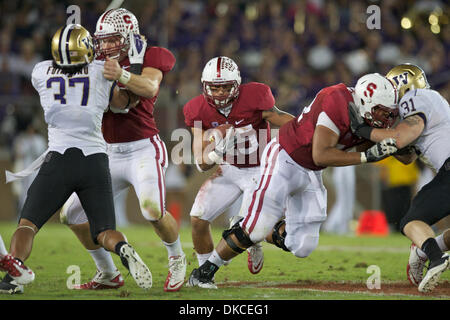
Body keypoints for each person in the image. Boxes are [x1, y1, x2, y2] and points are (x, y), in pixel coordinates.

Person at [187, 73, 400, 289]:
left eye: (389, 113)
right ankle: (204, 272)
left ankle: (248, 226)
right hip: (285, 157)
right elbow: (321, 154)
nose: (385, 118)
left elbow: (368, 144)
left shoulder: (364, 113)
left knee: (301, 246)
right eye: (381, 111)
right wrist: (368, 156)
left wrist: (390, 141)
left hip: (311, 171)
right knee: (257, 227)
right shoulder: (335, 98)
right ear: (365, 102)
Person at [1, 24, 152, 294]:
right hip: (94, 160)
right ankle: (122, 247)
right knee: (104, 231)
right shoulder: (101, 71)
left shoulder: (40, 72)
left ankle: (12, 277)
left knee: (28, 224)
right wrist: (135, 66)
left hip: (58, 159)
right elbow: (125, 103)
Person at [59, 8, 186, 292]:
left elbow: (150, 87)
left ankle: (177, 257)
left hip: (143, 148)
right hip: (105, 151)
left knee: (152, 210)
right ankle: (107, 272)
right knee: (72, 214)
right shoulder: (93, 59)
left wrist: (123, 75)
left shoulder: (152, 55)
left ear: (129, 36)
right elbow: (109, 102)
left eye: (112, 39)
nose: (105, 46)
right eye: (102, 40)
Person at [183, 56, 295, 277]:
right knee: (197, 218)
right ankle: (205, 272)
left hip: (260, 170)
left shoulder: (254, 95)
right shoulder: (196, 110)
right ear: (205, 87)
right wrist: (218, 151)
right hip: (229, 169)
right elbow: (201, 163)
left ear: (236, 85)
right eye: (214, 88)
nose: (220, 94)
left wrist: (309, 128)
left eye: (225, 87)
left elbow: (280, 117)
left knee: (244, 225)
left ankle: (254, 240)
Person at [349, 63, 450, 292]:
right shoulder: (432, 102)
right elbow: (408, 157)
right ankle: (424, 250)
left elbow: (402, 137)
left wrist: (365, 132)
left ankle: (436, 258)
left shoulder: (413, 98)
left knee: (410, 222)